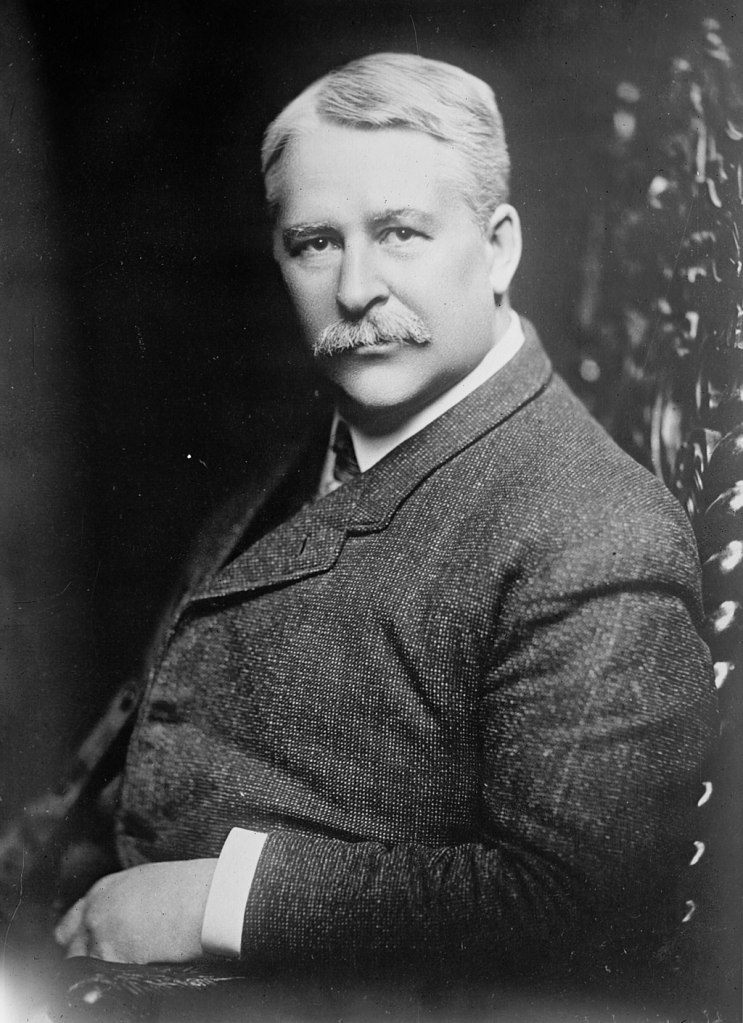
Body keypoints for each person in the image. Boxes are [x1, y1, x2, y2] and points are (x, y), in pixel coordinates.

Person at [54, 52, 716, 1001]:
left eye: (400, 232)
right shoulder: (313, 450)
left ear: (498, 247)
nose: (355, 287)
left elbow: (580, 907)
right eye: (315, 243)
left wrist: (217, 904)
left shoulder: (592, 529)